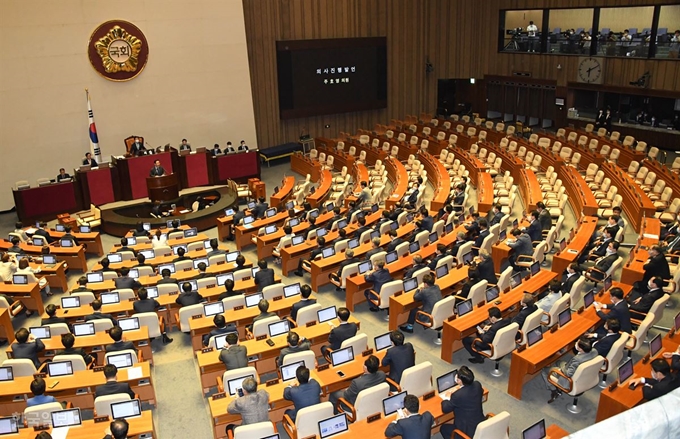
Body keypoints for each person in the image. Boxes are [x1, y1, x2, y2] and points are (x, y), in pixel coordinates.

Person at [542, 337, 598, 404]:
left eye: (577, 343)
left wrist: (561, 369)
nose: (576, 343)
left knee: (544, 370)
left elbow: (568, 374)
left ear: (580, 349)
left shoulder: (577, 359)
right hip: (585, 374)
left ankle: (554, 390)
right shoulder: (595, 351)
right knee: (559, 362)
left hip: (568, 379)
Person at [439, 366, 486, 439]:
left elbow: (445, 408)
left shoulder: (457, 395)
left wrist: (445, 399)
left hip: (467, 431)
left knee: (443, 428)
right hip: (480, 424)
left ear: (460, 381)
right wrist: (460, 389)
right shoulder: (477, 384)